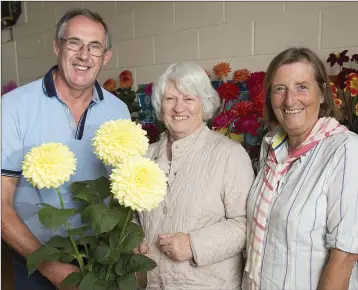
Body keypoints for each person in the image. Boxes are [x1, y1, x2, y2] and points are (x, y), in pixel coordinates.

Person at [1, 9, 131, 290]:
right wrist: (51, 267)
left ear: (106, 56)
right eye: (74, 42)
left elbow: (125, 190)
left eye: (94, 46)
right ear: (57, 46)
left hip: (100, 260)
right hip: (35, 257)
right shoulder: (12, 108)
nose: (84, 55)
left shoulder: (118, 110)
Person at [243, 47, 358, 290]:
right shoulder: (271, 147)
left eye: (302, 86)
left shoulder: (346, 149)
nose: (289, 100)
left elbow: (345, 257)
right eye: (279, 89)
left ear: (323, 93)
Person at [133, 62, 255, 290]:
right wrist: (134, 238)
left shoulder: (229, 154)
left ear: (204, 104)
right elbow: (133, 216)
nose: (179, 108)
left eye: (189, 99)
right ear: (161, 106)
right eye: (170, 99)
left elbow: (246, 224)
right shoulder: (145, 156)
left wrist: (194, 244)